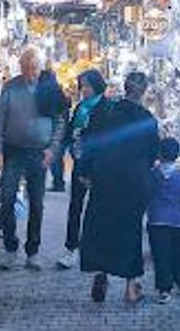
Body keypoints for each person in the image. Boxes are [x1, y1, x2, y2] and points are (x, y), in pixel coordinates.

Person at [79, 71, 159, 303]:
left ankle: (101, 272)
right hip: (134, 182)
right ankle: (131, 287)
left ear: (124, 88)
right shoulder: (147, 119)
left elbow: (89, 142)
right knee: (130, 232)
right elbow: (153, 153)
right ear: (143, 92)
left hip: (105, 177)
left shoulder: (104, 112)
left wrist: (85, 171)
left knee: (102, 225)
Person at [0, 47, 65, 271]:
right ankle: (10, 248)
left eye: (33, 68)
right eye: (26, 68)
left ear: (39, 68)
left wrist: (52, 149)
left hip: (38, 153)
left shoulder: (49, 89)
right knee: (6, 199)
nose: (30, 72)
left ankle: (32, 252)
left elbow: (60, 122)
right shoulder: (10, 88)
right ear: (20, 67)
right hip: (13, 150)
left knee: (36, 204)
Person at [56, 69, 111, 270]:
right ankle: (72, 248)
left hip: (99, 164)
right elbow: (71, 133)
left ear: (97, 85)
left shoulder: (106, 107)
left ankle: (96, 247)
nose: (84, 90)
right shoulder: (80, 108)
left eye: (87, 86)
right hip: (79, 162)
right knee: (75, 207)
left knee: (98, 207)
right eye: (82, 86)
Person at [147, 137, 180, 304]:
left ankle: (164, 290)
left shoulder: (152, 175)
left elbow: (145, 196)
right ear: (177, 155)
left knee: (160, 256)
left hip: (156, 221)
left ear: (159, 154)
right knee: (179, 253)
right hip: (179, 222)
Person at [38, 70, 70, 192]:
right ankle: (58, 182)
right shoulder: (58, 93)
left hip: (49, 130)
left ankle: (53, 182)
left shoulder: (43, 93)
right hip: (60, 130)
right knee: (56, 157)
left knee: (48, 157)